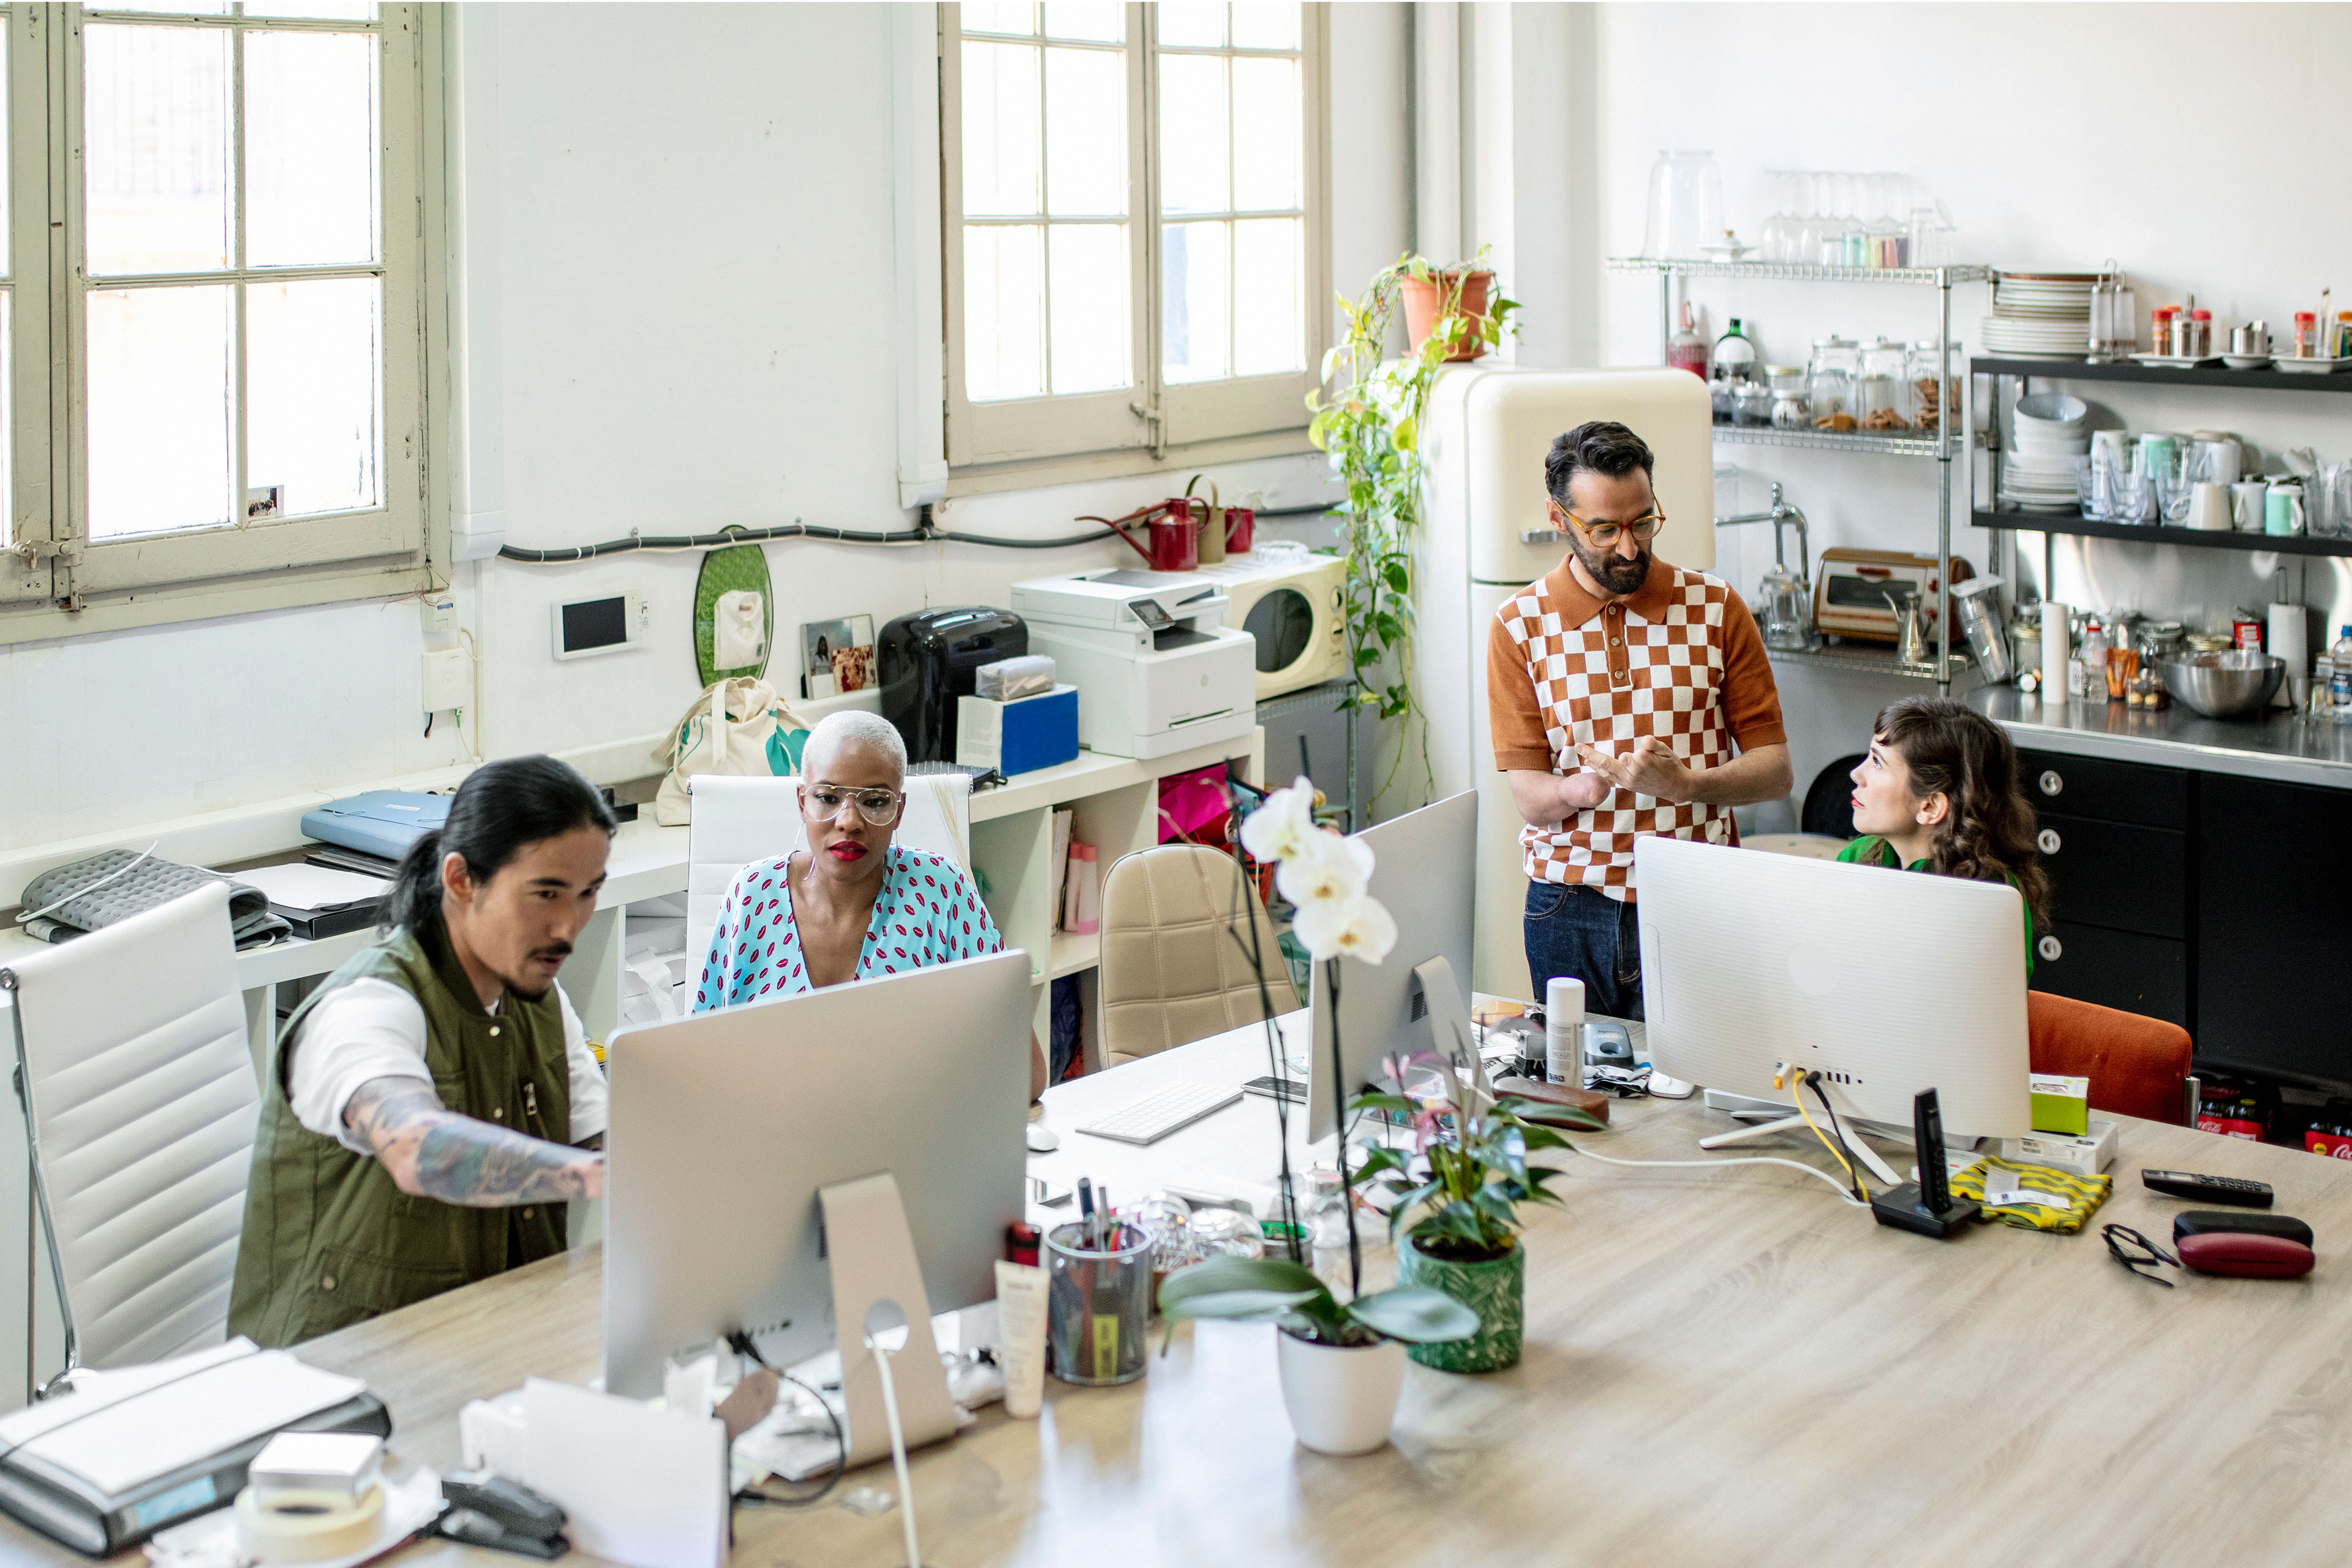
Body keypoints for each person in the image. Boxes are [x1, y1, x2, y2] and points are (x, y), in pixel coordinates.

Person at [228, 756, 618, 1346]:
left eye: (588, 894)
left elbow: (606, 1136)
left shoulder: (537, 998)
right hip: (338, 1373)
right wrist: (593, 1175)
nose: (569, 927)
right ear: (461, 880)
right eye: (545, 893)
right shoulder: (368, 1009)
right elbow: (419, 1148)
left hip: (482, 1340)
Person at [1487, 420, 1793, 1021]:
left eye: (1643, 521)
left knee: (1700, 1097)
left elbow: (1775, 770)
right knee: (1578, 1095)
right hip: (1567, 905)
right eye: (1604, 530)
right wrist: (1582, 787)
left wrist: (1687, 786)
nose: (1630, 548)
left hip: (1696, 896)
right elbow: (1529, 794)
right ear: (1559, 520)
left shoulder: (1716, 608)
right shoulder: (1518, 625)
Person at [694, 710, 1048, 1098]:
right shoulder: (752, 895)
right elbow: (701, 1065)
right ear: (801, 802)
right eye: (828, 798)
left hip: (906, 1139)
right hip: (773, 1138)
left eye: (876, 802)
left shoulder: (941, 894)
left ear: (899, 810)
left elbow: (1025, 1075)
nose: (849, 821)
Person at [1841, 695, 2048, 973]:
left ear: (1930, 806)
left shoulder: (1992, 897)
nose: (1856, 773)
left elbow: (1990, 1009)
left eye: (1878, 763)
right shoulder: (1856, 856)